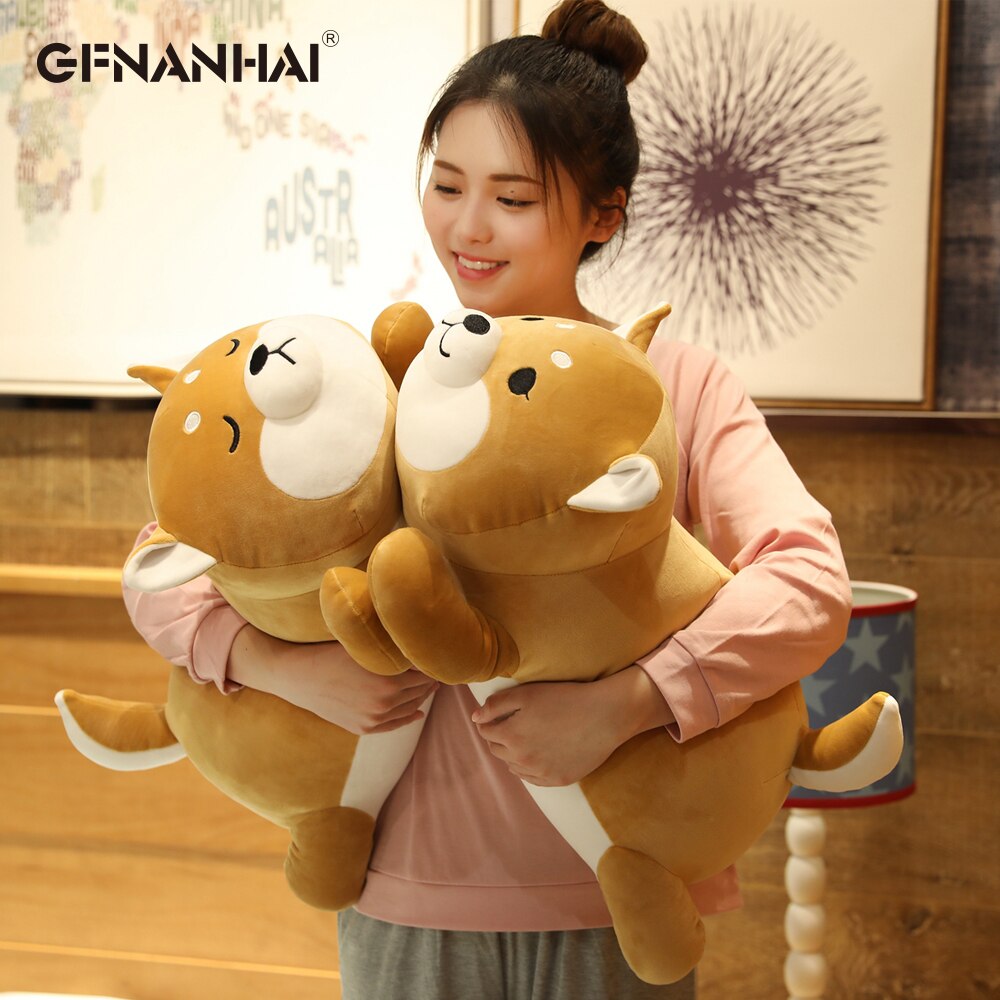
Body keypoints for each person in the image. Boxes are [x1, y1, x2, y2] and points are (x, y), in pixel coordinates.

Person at [123, 2, 852, 997]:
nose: (467, 227)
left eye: (512, 197)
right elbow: (165, 563)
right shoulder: (373, 387)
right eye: (447, 184)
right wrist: (280, 668)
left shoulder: (669, 388)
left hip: (617, 899)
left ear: (604, 215)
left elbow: (807, 582)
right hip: (403, 898)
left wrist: (628, 704)